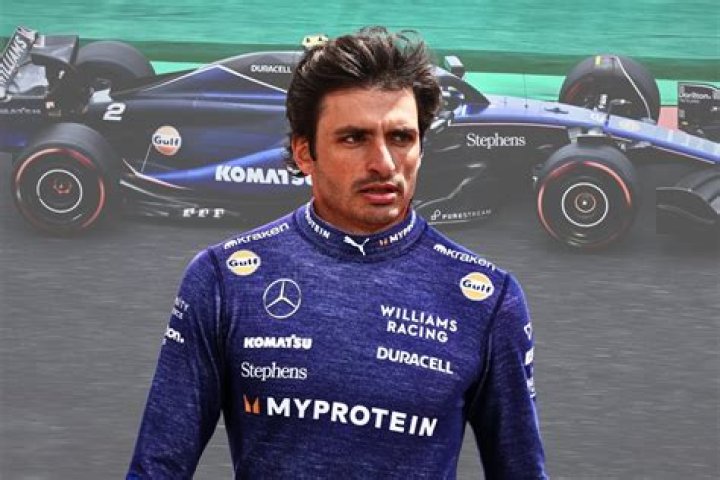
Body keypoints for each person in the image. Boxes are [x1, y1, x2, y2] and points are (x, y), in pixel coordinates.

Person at [127, 27, 547, 479]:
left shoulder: (487, 300)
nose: (384, 163)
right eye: (353, 138)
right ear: (304, 153)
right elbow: (157, 468)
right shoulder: (222, 279)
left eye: (401, 137)